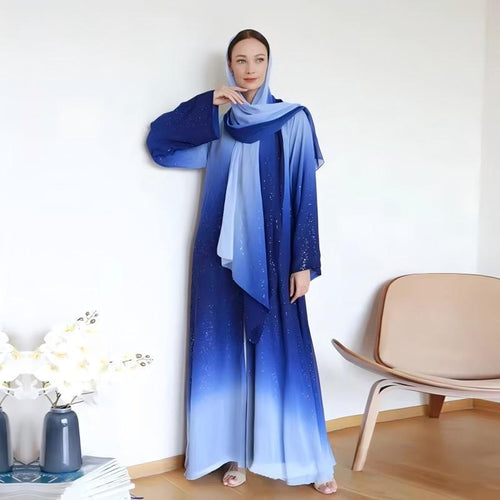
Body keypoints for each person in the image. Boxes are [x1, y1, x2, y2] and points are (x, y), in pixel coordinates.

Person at [146, 29, 337, 495]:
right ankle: (236, 453)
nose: (250, 69)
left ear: (270, 63)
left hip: (277, 254)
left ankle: (309, 456)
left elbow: (305, 193)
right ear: (229, 66)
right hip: (219, 252)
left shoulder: (293, 119)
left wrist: (303, 262)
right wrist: (206, 103)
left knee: (285, 349)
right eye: (241, 60)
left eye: (259, 59)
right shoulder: (219, 119)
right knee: (227, 347)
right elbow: (161, 143)